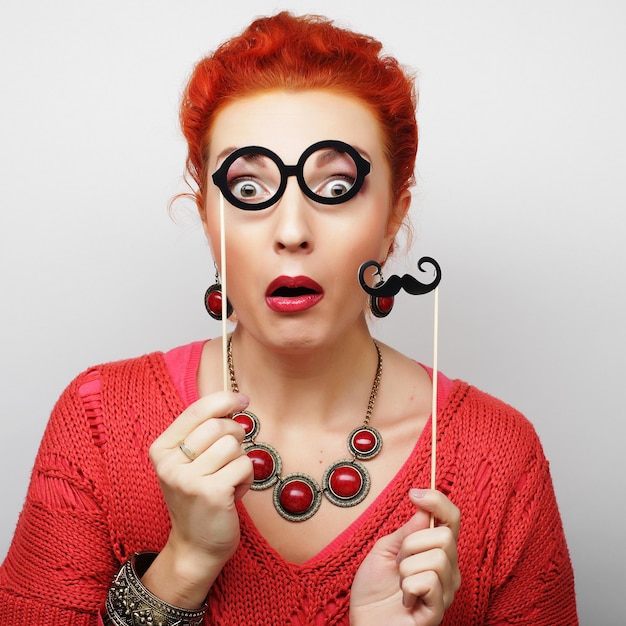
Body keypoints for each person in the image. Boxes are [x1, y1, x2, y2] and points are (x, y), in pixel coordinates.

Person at [0, 11, 577, 625]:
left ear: (393, 218)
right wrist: (184, 565)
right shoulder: (97, 420)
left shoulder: (500, 459)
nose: (293, 232)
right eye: (249, 190)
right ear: (206, 218)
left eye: (336, 187)